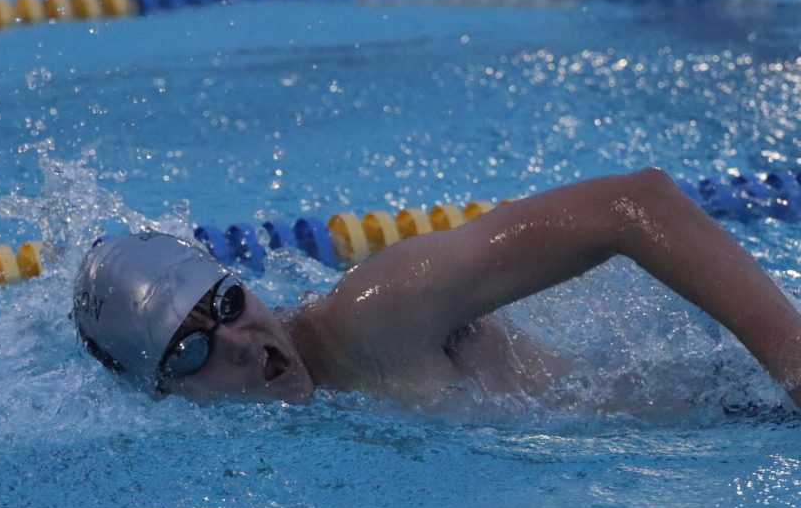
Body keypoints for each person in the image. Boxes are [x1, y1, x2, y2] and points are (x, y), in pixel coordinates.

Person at [72, 168, 801, 409]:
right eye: (193, 348)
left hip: (732, 413)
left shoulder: (375, 315)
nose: (239, 340)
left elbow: (632, 202)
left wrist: (790, 359)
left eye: (227, 303)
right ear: (163, 391)